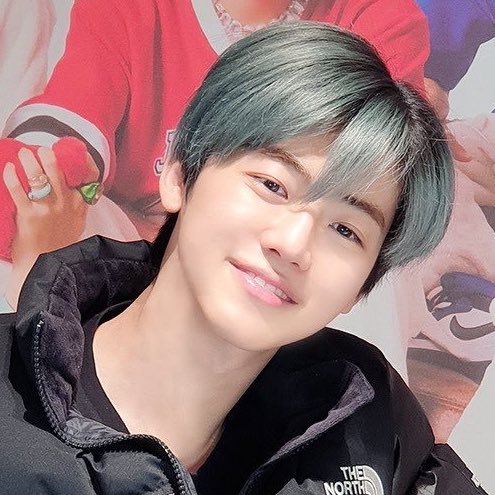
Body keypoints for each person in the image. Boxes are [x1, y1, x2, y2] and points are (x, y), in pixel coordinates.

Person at [0, 22, 485, 494]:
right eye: (272, 185)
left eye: (345, 230)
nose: (293, 244)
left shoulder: (365, 416)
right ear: (179, 172)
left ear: (360, 289)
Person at [0, 0, 430, 307]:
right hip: (134, 239)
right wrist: (48, 180)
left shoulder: (379, 18)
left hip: (283, 250)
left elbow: (375, 180)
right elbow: (76, 108)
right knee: (37, 202)